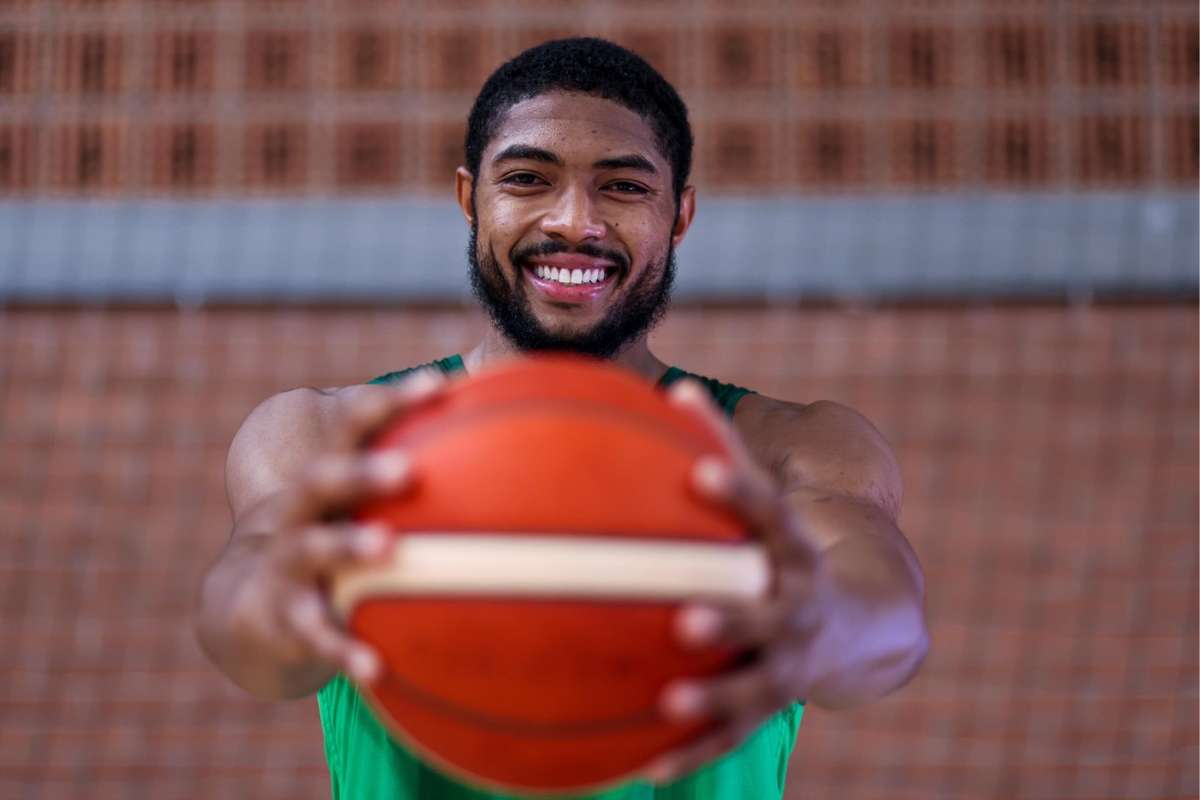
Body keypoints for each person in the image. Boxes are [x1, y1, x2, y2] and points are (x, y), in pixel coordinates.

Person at [194, 37, 928, 799]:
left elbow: (889, 614)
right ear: (468, 197)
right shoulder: (329, 438)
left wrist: (819, 626)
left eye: (623, 188)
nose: (574, 222)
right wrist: (281, 608)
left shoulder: (783, 451)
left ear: (680, 215)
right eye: (527, 179)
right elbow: (243, 612)